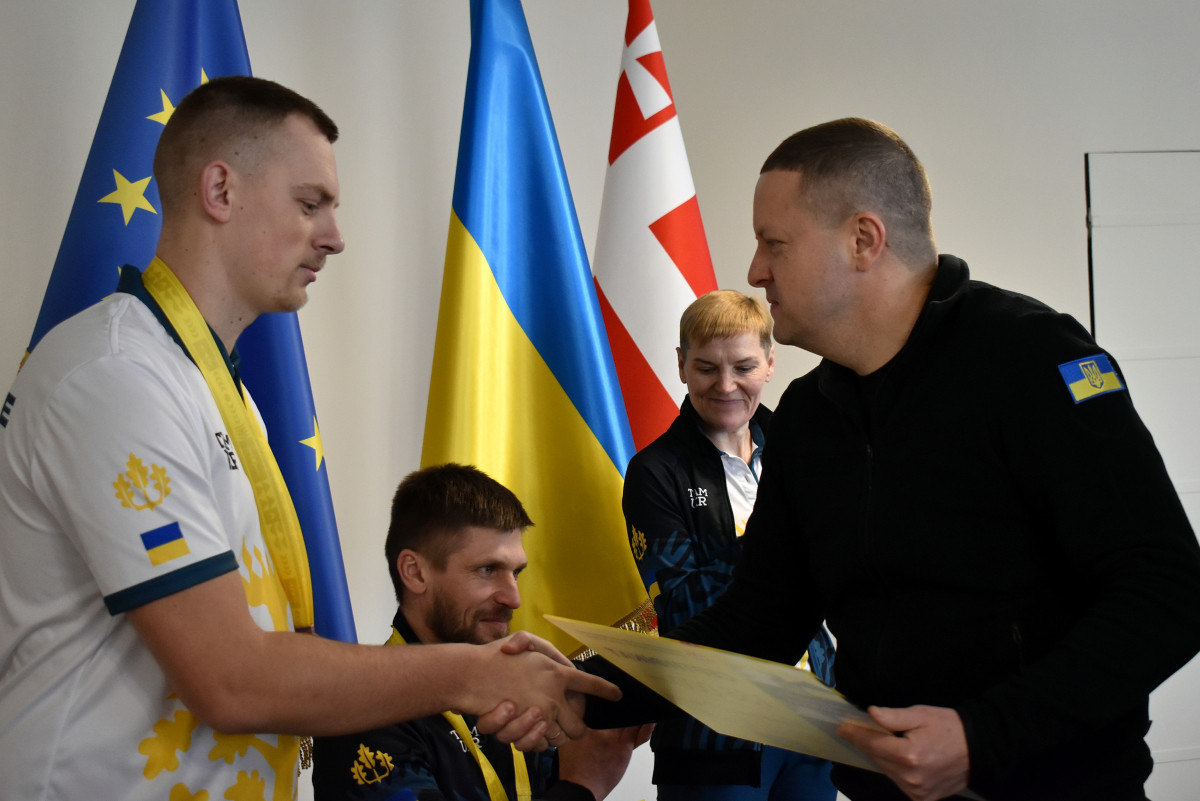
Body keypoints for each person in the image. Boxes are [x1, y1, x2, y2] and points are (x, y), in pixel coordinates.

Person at [0, 76, 617, 801]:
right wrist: (472, 673)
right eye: (309, 203)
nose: (334, 236)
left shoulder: (219, 394)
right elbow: (231, 679)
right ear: (220, 191)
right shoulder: (117, 376)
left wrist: (490, 673)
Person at [586, 118, 1200, 801]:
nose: (755, 270)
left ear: (863, 240)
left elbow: (1168, 589)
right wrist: (581, 686)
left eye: (774, 243)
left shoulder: (1028, 360)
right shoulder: (810, 415)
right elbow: (758, 619)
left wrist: (982, 737)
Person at [313, 463, 652, 801]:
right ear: (415, 573)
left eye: (516, 573)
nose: (514, 599)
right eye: (487, 569)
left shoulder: (512, 691)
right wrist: (582, 786)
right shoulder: (363, 715)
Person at [621, 289, 836, 801]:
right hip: (713, 733)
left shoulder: (804, 448)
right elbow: (680, 603)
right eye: (706, 368)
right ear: (681, 365)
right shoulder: (655, 472)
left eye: (743, 367)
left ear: (770, 363)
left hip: (815, 717)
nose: (725, 385)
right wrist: (780, 536)